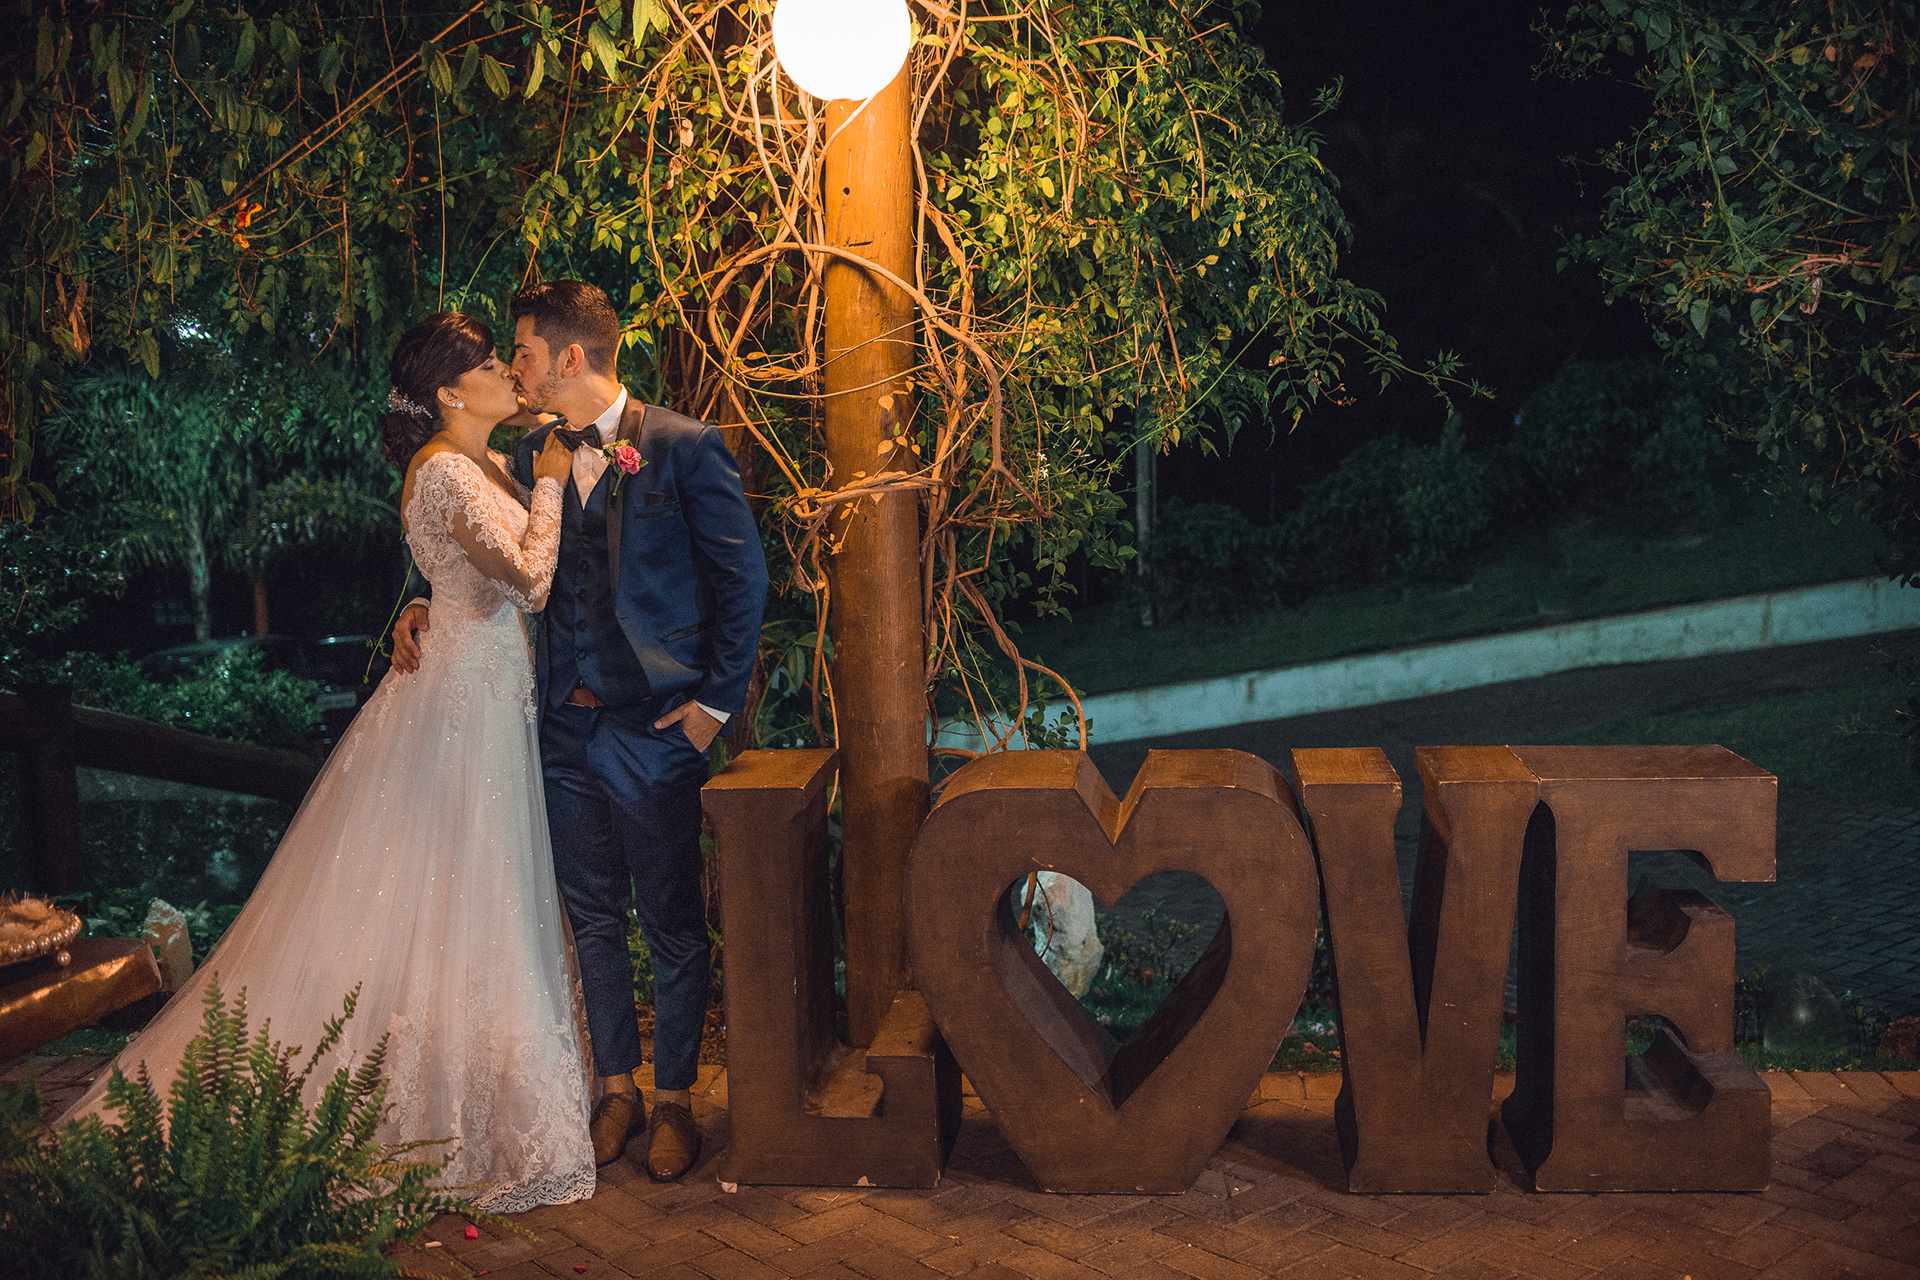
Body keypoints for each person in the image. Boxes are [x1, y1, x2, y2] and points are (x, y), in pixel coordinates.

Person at [60, 313, 596, 1213]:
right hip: (460, 710)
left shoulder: (483, 462)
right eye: (490, 364)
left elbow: (460, 574)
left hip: (487, 695)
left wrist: (426, 597)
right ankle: (427, 1109)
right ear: (448, 393)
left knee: (472, 891)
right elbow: (530, 582)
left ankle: (474, 1087)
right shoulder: (445, 470)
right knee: (457, 887)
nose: (510, 373)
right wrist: (548, 485)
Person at [392, 281, 768, 1181]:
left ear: (568, 358)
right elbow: (464, 542)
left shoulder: (682, 447)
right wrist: (421, 602)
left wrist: (713, 708)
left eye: (520, 352)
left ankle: (675, 1100)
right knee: (592, 918)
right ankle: (615, 1090)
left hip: (656, 726)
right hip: (559, 727)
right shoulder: (524, 455)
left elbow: (743, 583)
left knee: (672, 921)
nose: (513, 367)